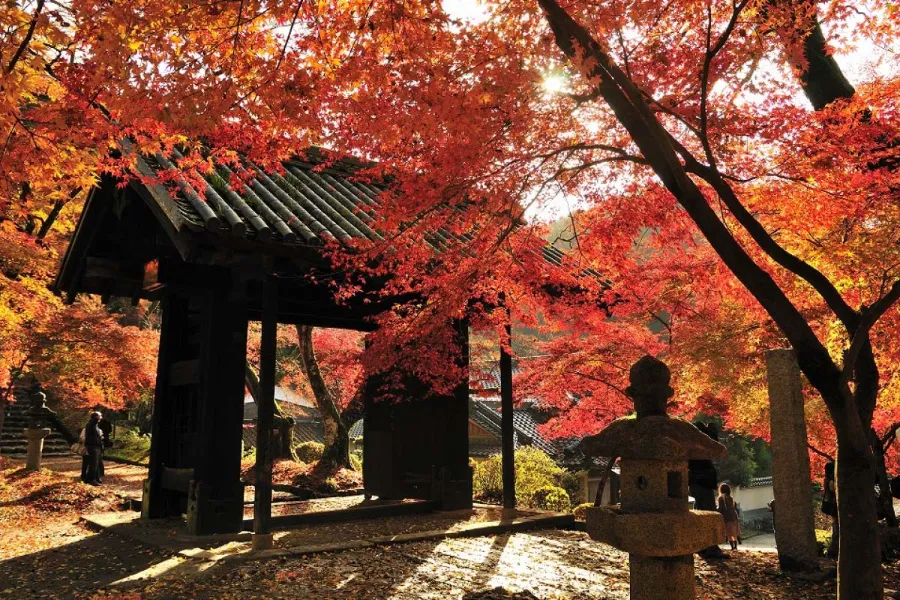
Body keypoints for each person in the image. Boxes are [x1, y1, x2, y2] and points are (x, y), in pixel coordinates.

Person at [81, 411, 103, 486]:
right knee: (93, 464)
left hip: (95, 446)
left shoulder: (95, 425)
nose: (101, 417)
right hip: (92, 446)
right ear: (96, 417)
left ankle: (89, 479)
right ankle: (91, 479)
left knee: (95, 464)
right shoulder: (91, 424)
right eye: (100, 416)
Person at [718, 483, 741, 551]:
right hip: (734, 516)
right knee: (734, 532)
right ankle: (736, 547)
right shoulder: (731, 497)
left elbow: (720, 509)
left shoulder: (721, 498)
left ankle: (732, 547)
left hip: (727, 517)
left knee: (729, 533)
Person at [822, 462, 839, 558]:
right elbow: (835, 490)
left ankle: (833, 552)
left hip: (832, 508)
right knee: (836, 529)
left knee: (836, 528)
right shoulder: (831, 481)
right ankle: (833, 552)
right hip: (834, 508)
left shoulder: (827, 480)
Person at [97, 411, 112, 483]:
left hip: (100, 438)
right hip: (105, 437)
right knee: (100, 454)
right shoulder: (108, 423)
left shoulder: (99, 423)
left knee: (99, 456)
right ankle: (101, 471)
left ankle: (99, 471)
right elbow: (110, 430)